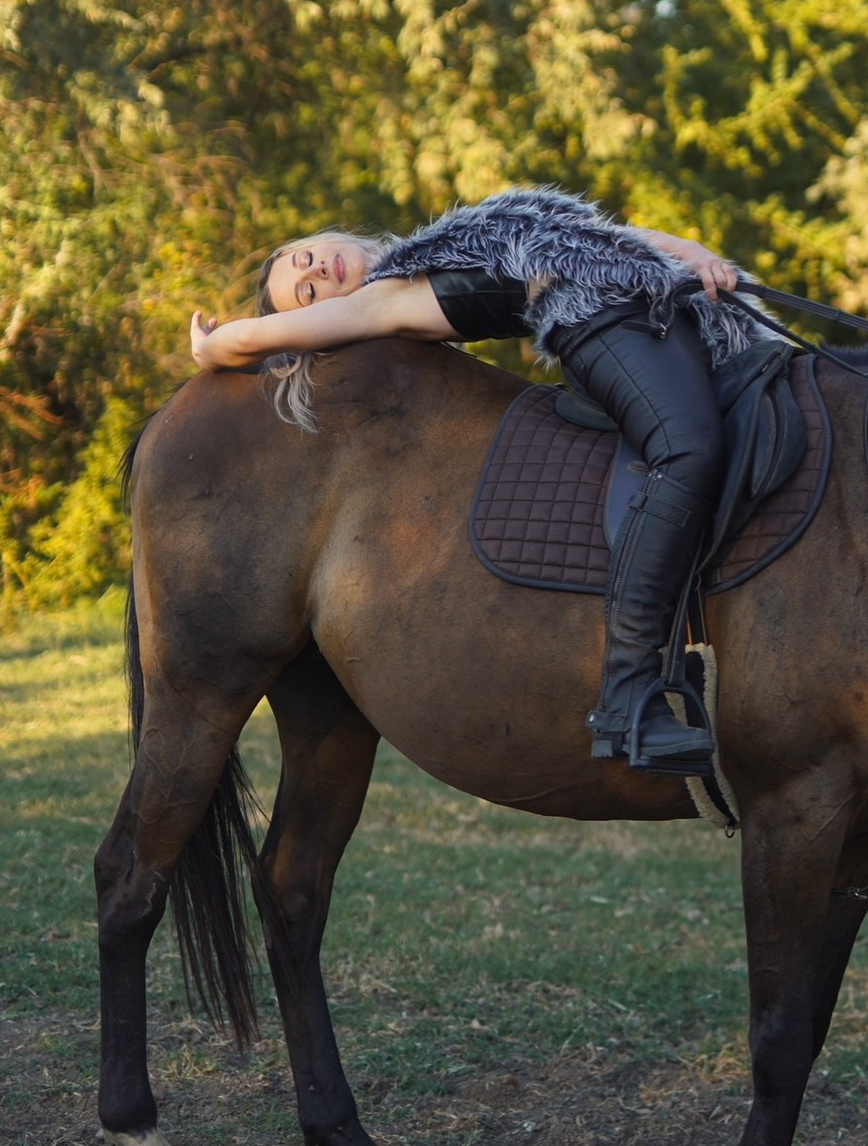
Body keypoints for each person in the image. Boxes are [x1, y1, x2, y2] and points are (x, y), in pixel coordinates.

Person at [188, 189, 757, 777]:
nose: (315, 272)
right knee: (686, 449)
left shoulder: (433, 244)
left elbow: (600, 237)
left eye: (305, 256)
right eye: (306, 293)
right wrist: (213, 344)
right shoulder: (386, 301)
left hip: (661, 305)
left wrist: (692, 253)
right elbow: (254, 338)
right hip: (602, 326)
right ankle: (630, 690)